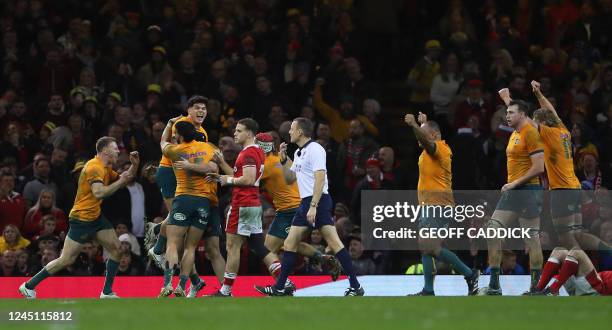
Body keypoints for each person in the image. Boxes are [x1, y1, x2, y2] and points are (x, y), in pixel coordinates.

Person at [18, 137, 139, 299]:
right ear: (105, 151)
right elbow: (99, 192)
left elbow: (124, 179)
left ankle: (107, 292)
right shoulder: (94, 167)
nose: (118, 151)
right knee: (67, 259)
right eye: (115, 148)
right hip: (81, 219)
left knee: (117, 250)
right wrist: (121, 181)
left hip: (96, 217)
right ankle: (28, 286)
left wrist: (135, 165)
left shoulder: (106, 167)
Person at [255, 117, 364, 296]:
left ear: (300, 131)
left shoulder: (316, 149)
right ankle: (281, 287)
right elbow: (291, 178)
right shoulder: (299, 153)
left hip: (317, 200)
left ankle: (355, 285)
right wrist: (284, 160)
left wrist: (313, 206)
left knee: (334, 243)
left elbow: (320, 177)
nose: (289, 132)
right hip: (306, 202)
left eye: (292, 128)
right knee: (291, 243)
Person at [500, 82, 612, 257]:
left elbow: (522, 119)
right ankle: (608, 252)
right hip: (574, 188)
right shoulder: (563, 130)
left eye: (537, 124)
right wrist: (538, 93)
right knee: (576, 235)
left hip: (561, 191)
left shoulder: (549, 134)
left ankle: (585, 276)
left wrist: (507, 99)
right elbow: (551, 110)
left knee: (567, 239)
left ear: (543, 124)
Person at [207, 118, 292, 297]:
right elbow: (244, 176)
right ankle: (285, 282)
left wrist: (226, 180)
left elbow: (248, 179)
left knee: (232, 246)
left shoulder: (248, 153)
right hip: (252, 204)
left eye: (238, 131)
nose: (235, 134)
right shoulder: (256, 152)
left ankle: (226, 290)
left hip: (242, 204)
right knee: (259, 246)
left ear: (249, 133)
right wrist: (223, 166)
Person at [404, 112, 479, 296]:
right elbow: (424, 139)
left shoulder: (441, 148)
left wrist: (414, 125)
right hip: (428, 204)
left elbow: (428, 143)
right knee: (426, 247)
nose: (419, 139)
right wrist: (421, 126)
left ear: (435, 134)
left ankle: (470, 273)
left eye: (424, 134)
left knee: (430, 246)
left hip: (438, 203)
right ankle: (428, 289)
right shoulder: (426, 150)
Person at [478, 99, 545, 296]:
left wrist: (514, 184)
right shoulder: (514, 133)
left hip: (528, 191)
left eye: (511, 112)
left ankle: (535, 287)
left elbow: (539, 167)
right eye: (506, 112)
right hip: (513, 191)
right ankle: (494, 285)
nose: (507, 116)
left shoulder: (531, 133)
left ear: (523, 115)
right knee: (492, 230)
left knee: (531, 238)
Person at [255, 132, 341, 280]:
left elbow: (247, 180)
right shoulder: (281, 159)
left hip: (289, 210)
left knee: (268, 249)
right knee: (289, 243)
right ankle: (325, 259)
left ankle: (283, 284)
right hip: (296, 206)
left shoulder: (266, 165)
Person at [158, 120, 222, 298]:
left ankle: (168, 284)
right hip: (203, 203)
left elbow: (162, 142)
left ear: (178, 135)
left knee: (172, 242)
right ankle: (182, 286)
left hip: (183, 199)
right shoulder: (207, 148)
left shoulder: (176, 150)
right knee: (191, 247)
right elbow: (212, 168)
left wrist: (169, 124)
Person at [147, 95, 209, 268]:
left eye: (204, 109)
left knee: (179, 219)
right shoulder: (180, 124)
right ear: (188, 110)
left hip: (185, 175)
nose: (201, 111)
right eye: (197, 108)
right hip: (170, 172)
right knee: (177, 219)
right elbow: (174, 150)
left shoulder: (203, 132)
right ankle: (159, 249)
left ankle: (158, 234)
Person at [534, 247, 612, 296]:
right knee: (560, 251)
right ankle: (537, 290)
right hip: (584, 287)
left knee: (577, 252)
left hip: (596, 291)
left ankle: (552, 291)